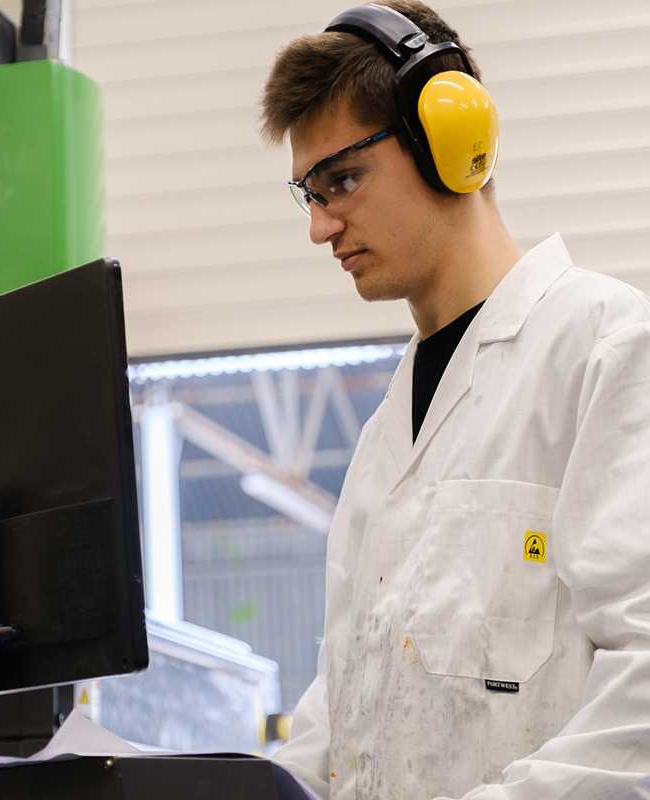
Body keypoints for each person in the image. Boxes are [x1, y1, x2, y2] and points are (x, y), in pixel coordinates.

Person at [261, 2, 650, 799]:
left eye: (343, 179)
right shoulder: (382, 440)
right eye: (309, 192)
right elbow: (346, 704)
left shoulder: (605, 349)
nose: (320, 227)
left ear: (452, 147)